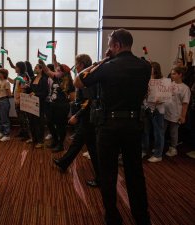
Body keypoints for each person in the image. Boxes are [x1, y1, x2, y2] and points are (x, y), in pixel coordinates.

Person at [74, 29, 151, 225]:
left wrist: (101, 61)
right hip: (134, 124)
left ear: (115, 45)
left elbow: (78, 81)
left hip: (109, 126)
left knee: (108, 173)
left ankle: (113, 217)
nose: (109, 50)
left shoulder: (107, 66)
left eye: (110, 46)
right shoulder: (145, 66)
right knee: (135, 173)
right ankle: (142, 218)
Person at [53, 54, 100, 187]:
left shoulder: (86, 78)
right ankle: (64, 162)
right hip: (86, 116)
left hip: (87, 116)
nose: (76, 66)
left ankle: (101, 177)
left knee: (88, 146)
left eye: (77, 63)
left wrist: (77, 115)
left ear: (82, 65)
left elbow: (88, 101)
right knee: (83, 144)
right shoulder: (86, 76)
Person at [39, 55, 75, 152]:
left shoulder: (70, 83)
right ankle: (55, 140)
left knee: (60, 126)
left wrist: (65, 97)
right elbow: (47, 71)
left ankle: (60, 144)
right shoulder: (56, 78)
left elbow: (72, 97)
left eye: (59, 71)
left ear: (64, 73)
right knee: (49, 123)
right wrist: (42, 64)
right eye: (57, 70)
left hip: (62, 107)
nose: (56, 72)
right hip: (52, 105)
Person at [164, 66, 191, 157]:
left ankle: (173, 148)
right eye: (171, 73)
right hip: (165, 112)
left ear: (180, 75)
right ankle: (161, 146)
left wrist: (182, 116)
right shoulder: (169, 84)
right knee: (162, 130)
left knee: (173, 132)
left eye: (174, 73)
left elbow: (185, 104)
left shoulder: (185, 88)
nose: (171, 75)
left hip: (175, 114)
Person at [142, 62, 166, 162]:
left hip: (158, 109)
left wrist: (160, 99)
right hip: (146, 108)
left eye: (151, 68)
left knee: (158, 133)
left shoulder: (163, 81)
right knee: (144, 131)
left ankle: (158, 154)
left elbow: (167, 96)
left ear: (155, 69)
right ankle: (143, 150)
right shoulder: (145, 79)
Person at [7, 60, 31, 140]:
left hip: (21, 100)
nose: (15, 68)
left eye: (16, 67)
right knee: (20, 117)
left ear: (20, 68)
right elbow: (13, 82)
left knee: (23, 117)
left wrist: (20, 99)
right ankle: (22, 132)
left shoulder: (24, 76)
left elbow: (24, 88)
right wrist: (5, 76)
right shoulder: (19, 75)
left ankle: (26, 134)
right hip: (17, 99)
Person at [26, 64, 49, 148]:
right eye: (34, 68)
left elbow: (45, 93)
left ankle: (40, 141)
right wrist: (27, 87)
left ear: (41, 70)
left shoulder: (44, 79)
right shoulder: (33, 79)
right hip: (32, 103)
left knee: (39, 122)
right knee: (31, 121)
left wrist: (36, 94)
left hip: (40, 104)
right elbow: (31, 91)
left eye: (36, 68)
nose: (34, 69)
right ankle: (34, 138)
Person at [0, 68, 12, 142]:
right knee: (0, 118)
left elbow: (9, 94)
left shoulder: (6, 82)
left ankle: (7, 135)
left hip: (4, 100)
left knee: (4, 118)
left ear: (3, 74)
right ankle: (1, 132)